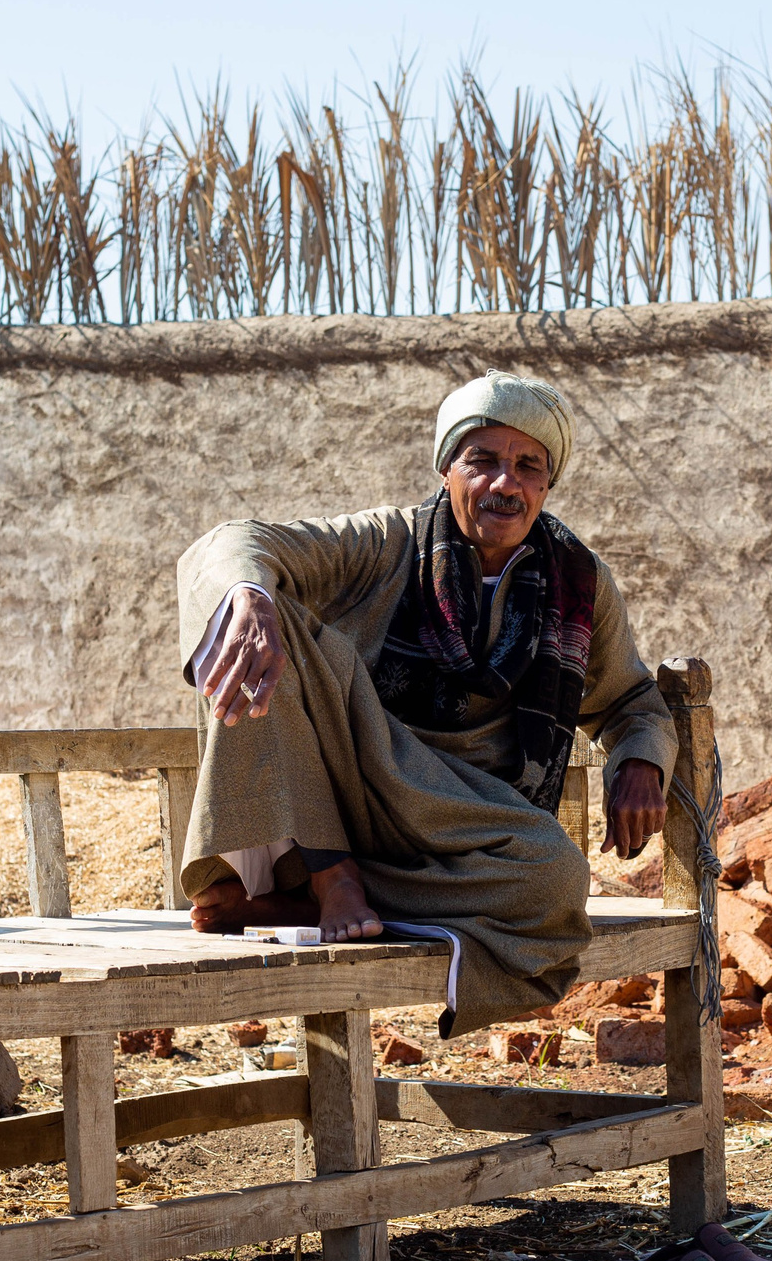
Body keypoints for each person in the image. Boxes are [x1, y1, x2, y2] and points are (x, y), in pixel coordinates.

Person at [175, 371, 676, 1035]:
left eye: (528, 466)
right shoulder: (389, 542)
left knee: (558, 877)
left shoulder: (578, 581)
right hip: (359, 795)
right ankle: (329, 878)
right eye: (484, 461)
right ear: (447, 468)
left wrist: (641, 758)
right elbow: (235, 541)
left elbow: (632, 698)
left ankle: (284, 896)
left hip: (471, 822)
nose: (506, 484)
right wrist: (250, 597)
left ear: (547, 484)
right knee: (272, 621)